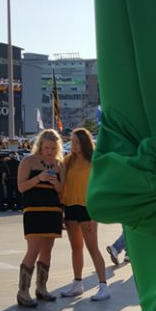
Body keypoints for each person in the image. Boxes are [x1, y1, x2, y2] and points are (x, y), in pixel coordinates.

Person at [60, 127, 110, 301]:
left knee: (92, 247)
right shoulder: (66, 162)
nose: (73, 145)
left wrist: (95, 217)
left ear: (84, 143)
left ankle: (103, 285)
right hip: (70, 208)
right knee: (76, 248)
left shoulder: (94, 162)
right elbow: (62, 187)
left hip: (88, 209)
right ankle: (77, 284)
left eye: (76, 142)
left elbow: (101, 188)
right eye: (72, 141)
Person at [16, 129, 64, 307]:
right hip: (34, 211)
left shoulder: (59, 164)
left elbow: (61, 191)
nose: (49, 151)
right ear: (40, 146)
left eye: (52, 148)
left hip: (52, 211)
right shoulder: (28, 161)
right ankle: (23, 291)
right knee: (33, 249)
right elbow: (21, 187)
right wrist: (39, 178)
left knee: (47, 250)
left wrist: (55, 183)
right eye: (46, 148)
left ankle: (41, 288)